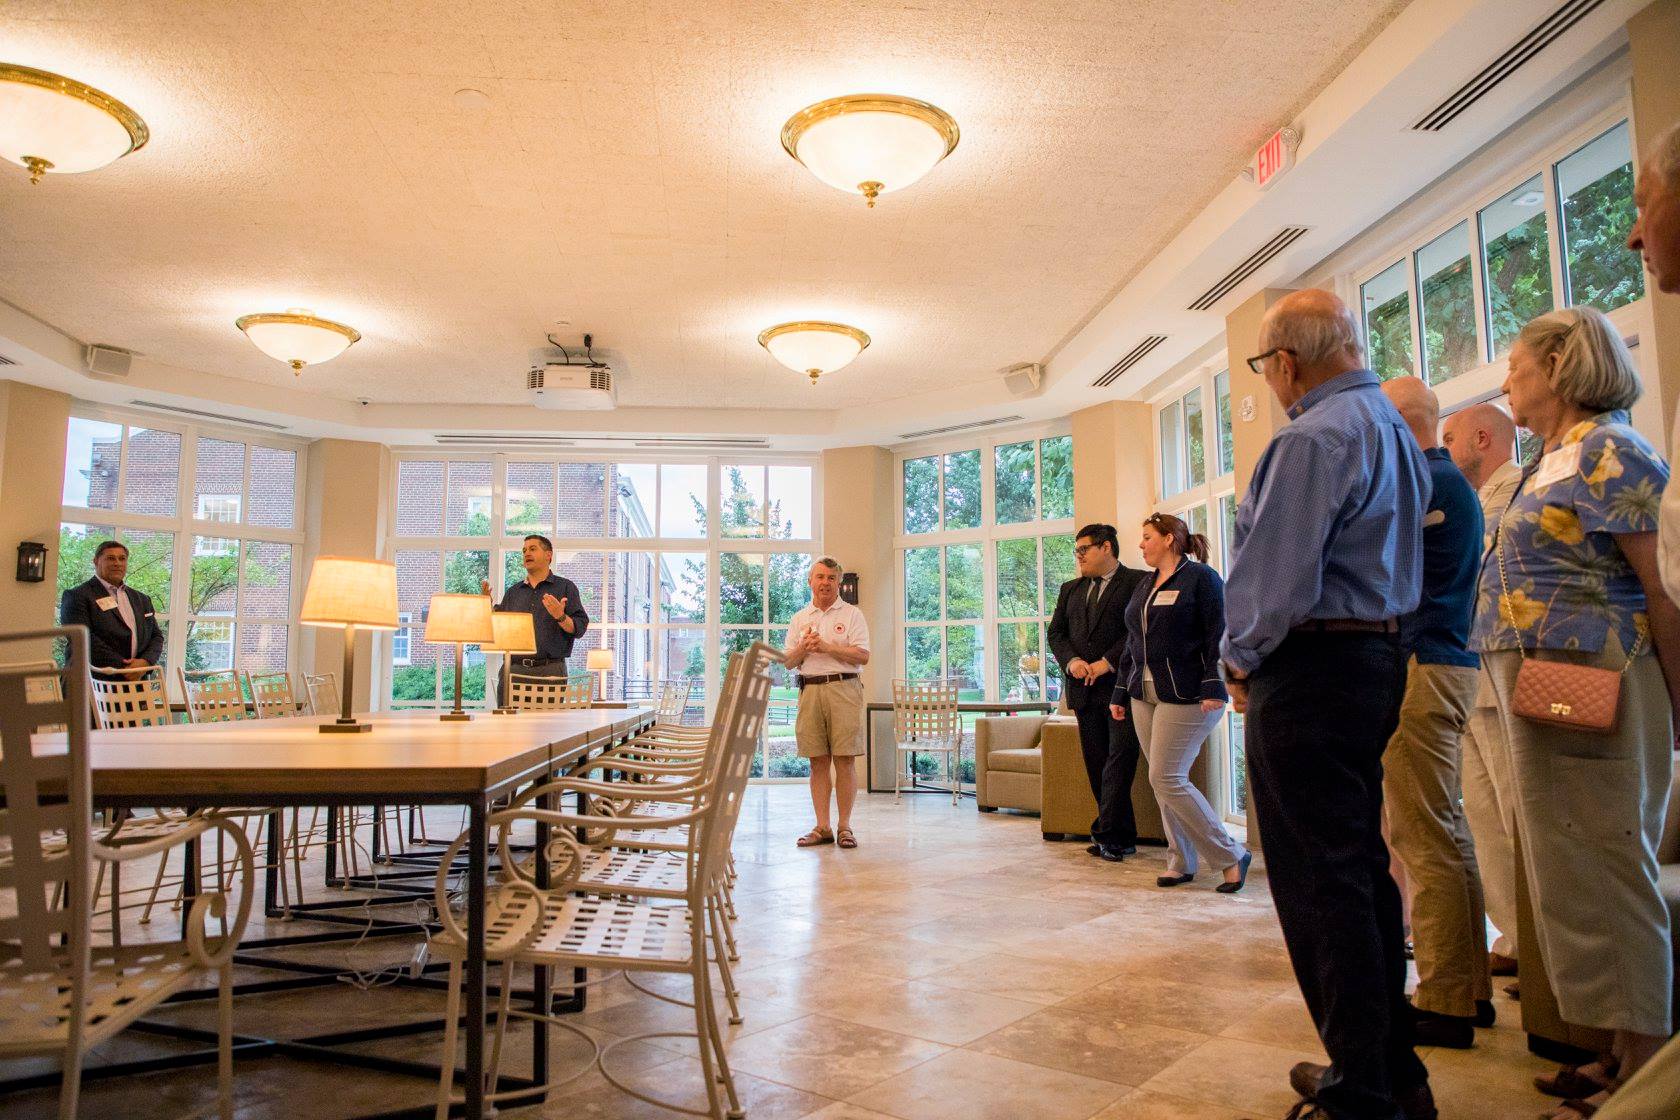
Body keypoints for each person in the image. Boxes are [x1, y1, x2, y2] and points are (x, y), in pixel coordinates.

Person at [1222, 289, 1434, 1120]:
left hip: (1310, 669)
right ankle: (1390, 1072)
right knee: (1358, 873)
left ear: (1285, 363)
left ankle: (1362, 1089)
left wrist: (1237, 660)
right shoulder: (1392, 428)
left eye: (1264, 368)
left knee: (1318, 885)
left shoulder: (1311, 438)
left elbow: (1273, 579)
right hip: (1375, 658)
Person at [1470, 306, 1676, 1120]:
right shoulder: (1542, 460)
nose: (1507, 382)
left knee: (1608, 862)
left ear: (1559, 364)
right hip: (1540, 684)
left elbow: (1663, 584)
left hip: (1600, 678)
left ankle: (1650, 1067)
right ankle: (1618, 1052)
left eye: (1516, 366)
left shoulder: (1611, 448)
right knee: (1568, 869)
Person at [1378, 377, 1492, 1049]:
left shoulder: (1423, 485)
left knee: (1422, 837)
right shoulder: (1447, 483)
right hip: (1450, 663)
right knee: (1446, 832)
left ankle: (1446, 1000)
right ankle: (1465, 989)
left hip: (1423, 666)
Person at [1108, 512, 1249, 891]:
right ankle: (1180, 860)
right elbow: (1131, 646)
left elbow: (1219, 633)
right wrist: (1121, 691)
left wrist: (1214, 686)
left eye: (1147, 537)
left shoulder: (1202, 579)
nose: (1140, 544)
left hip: (1187, 694)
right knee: (1163, 782)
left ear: (1170, 539)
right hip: (1144, 694)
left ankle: (1230, 853)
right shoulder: (1144, 585)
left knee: (1166, 776)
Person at [1439, 401, 1525, 984]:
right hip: (1466, 669)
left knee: (1517, 814)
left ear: (1482, 435)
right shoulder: (1467, 498)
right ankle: (1513, 937)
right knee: (1484, 819)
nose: (1442, 449)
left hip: (1509, 673)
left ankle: (1538, 948)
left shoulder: (1523, 491)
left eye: (1449, 436)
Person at [1047, 523, 1147, 861]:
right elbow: (1056, 635)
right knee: (1097, 762)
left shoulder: (1138, 582)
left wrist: (1107, 662)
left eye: (1084, 549)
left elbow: (1137, 631)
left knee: (1119, 761)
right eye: (1076, 551)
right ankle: (1120, 835)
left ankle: (1107, 833)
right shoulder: (1070, 589)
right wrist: (1072, 661)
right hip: (1082, 690)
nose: (1079, 557)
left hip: (1122, 689)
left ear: (1106, 548)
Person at [784, 557, 870, 850]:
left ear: (838, 583)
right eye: (819, 577)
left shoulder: (852, 615)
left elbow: (863, 656)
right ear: (810, 581)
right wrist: (803, 648)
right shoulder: (799, 618)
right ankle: (822, 827)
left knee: (845, 760)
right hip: (809, 690)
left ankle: (844, 826)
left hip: (844, 688)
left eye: (831, 578)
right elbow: (788, 663)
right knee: (817, 761)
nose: (825, 582)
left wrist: (827, 647)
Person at [482, 534, 589, 700]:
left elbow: (580, 628)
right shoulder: (513, 592)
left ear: (549, 555)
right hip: (513, 670)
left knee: (549, 726)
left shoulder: (566, 587)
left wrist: (560, 616)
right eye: (524, 550)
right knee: (506, 724)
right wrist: (486, 608)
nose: (526, 553)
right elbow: (500, 628)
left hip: (550, 671)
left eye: (533, 549)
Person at [59, 540, 164, 671]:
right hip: (90, 681)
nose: (117, 563)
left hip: (135, 680)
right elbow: (82, 639)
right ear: (96, 561)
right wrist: (124, 667)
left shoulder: (142, 599)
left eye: (122, 559)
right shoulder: (77, 596)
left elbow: (156, 636)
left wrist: (145, 662)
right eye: (110, 558)